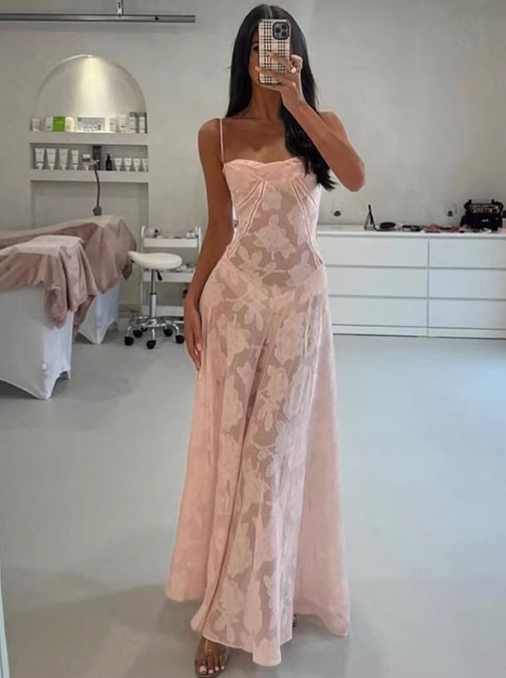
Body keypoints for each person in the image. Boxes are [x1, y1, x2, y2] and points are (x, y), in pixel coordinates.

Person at [166, 4, 365, 676]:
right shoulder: (216, 133)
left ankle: (246, 608)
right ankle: (234, 602)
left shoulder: (320, 123)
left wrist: (297, 103)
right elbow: (219, 226)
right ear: (242, 57)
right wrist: (193, 296)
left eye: (278, 47)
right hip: (237, 303)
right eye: (255, 48)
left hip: (299, 304)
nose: (265, 58)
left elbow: (356, 176)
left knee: (271, 455)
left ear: (296, 55)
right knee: (234, 453)